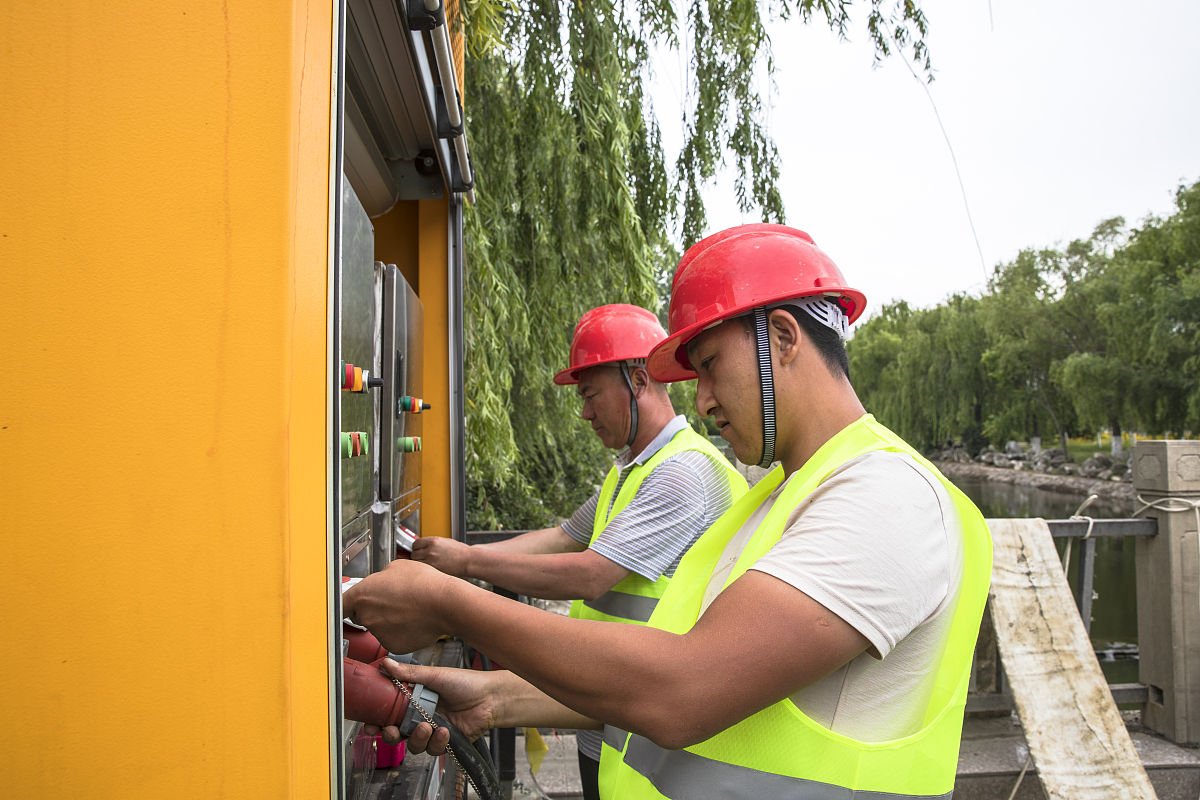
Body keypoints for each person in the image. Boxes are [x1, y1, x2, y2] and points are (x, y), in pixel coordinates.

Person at [345, 224, 993, 799]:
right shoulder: (774, 499)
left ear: (785, 338)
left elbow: (684, 688)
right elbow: (704, 677)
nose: (702, 400)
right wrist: (496, 698)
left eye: (710, 367)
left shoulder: (886, 496)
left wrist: (448, 600)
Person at [411, 303, 747, 799]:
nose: (584, 412)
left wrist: (462, 568)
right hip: (604, 715)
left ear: (638, 380)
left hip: (651, 733)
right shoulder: (629, 470)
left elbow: (590, 574)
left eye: (590, 393)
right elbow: (562, 538)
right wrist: (458, 555)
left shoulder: (683, 474)